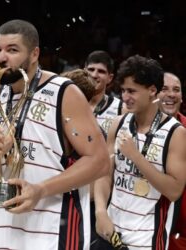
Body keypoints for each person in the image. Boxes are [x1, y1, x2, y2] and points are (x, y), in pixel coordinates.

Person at [0, 19, 109, 250]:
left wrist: (40, 190)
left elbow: (100, 162)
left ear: (34, 54)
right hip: (7, 232)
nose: (1, 57)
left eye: (12, 50)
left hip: (58, 230)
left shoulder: (64, 93)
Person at [94, 55, 186, 250]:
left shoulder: (176, 133)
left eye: (132, 91)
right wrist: (101, 211)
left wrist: (136, 156)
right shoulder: (118, 124)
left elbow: (174, 191)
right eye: (123, 90)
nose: (125, 97)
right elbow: (104, 175)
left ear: (152, 90)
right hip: (110, 234)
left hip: (147, 241)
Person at [157, 72, 186, 250]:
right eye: (164, 89)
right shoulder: (135, 129)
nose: (171, 94)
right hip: (142, 222)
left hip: (180, 231)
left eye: (176, 90)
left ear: (182, 97)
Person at [84, 50, 125, 134]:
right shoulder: (71, 101)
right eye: (91, 69)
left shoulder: (121, 108)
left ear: (109, 78)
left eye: (101, 71)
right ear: (84, 72)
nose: (94, 75)